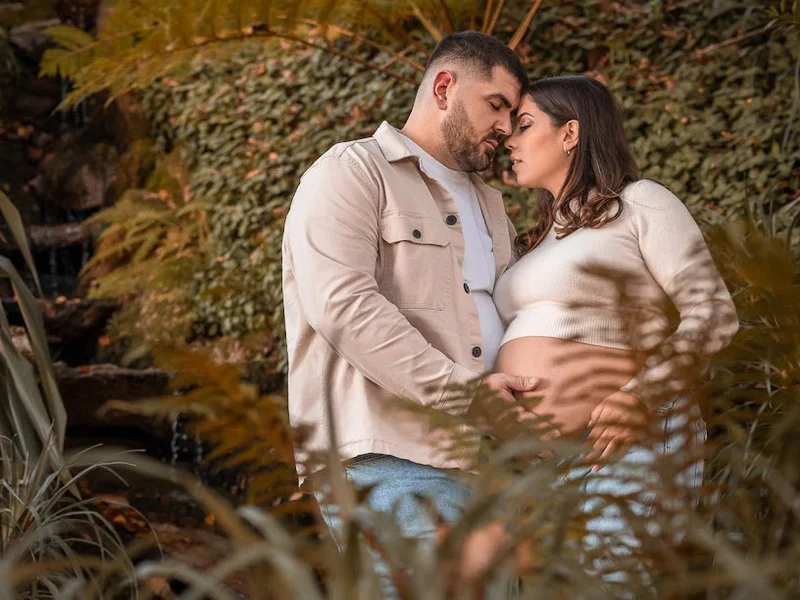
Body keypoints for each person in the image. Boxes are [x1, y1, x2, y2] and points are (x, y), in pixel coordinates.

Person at [281, 31, 536, 595]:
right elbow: (344, 306)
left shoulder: (492, 206)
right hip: (390, 455)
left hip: (489, 460)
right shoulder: (351, 172)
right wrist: (466, 396)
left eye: (514, 114)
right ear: (444, 87)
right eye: (496, 105)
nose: (505, 126)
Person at [494, 75, 740, 586]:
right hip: (547, 465)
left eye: (523, 125)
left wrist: (641, 396)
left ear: (570, 134)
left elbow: (714, 313)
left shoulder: (639, 202)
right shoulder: (537, 240)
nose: (508, 140)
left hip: (631, 437)